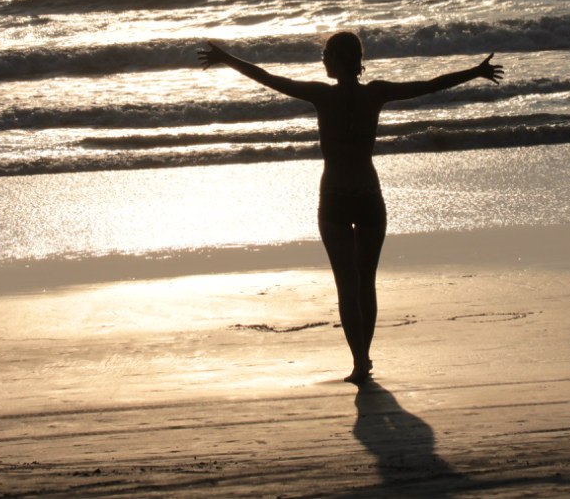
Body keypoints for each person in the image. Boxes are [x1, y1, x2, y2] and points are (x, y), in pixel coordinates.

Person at [198, 33, 504, 384]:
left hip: (335, 197)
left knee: (347, 286)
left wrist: (227, 59)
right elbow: (430, 85)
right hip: (368, 195)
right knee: (365, 283)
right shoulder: (374, 93)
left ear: (339, 59)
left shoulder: (322, 95)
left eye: (326, 53)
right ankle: (364, 358)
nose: (322, 59)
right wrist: (475, 71)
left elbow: (269, 78)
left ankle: (360, 361)